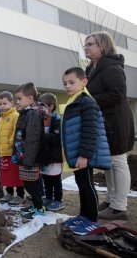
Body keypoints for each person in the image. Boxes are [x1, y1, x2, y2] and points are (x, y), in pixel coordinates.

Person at [84, 31, 135, 220]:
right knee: (108, 164)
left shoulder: (111, 67)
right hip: (103, 121)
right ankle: (111, 200)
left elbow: (117, 94)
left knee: (118, 162)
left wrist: (89, 100)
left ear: (103, 46)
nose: (86, 47)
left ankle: (119, 207)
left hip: (116, 122)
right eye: (86, 44)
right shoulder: (92, 69)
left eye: (90, 44)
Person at [61, 67, 111, 235]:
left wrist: (84, 155)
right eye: (65, 83)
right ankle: (83, 215)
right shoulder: (74, 102)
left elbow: (90, 130)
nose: (67, 86)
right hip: (77, 154)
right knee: (82, 184)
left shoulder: (86, 102)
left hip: (83, 155)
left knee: (88, 185)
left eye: (71, 82)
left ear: (84, 82)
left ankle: (93, 220)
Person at [12, 82, 48, 219]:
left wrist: (29, 160)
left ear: (31, 98)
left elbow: (33, 139)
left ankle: (39, 208)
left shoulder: (32, 114)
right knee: (29, 183)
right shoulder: (27, 113)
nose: (17, 101)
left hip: (30, 158)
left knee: (31, 184)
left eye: (20, 98)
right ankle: (36, 206)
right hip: (25, 156)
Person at [0, 91, 24, 205]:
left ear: (12, 103)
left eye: (5, 103)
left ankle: (20, 195)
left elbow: (15, 132)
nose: (2, 106)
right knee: (6, 174)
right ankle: (9, 193)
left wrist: (9, 143)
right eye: (0, 104)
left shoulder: (15, 116)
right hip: (3, 152)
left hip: (12, 151)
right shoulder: (0, 118)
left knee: (16, 174)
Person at [38, 92, 64, 211]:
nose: (38, 109)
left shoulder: (56, 119)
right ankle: (48, 197)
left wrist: (41, 136)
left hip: (54, 155)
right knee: (46, 177)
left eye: (41, 106)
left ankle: (58, 200)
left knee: (55, 178)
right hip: (44, 155)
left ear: (51, 106)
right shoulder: (41, 119)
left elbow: (55, 137)